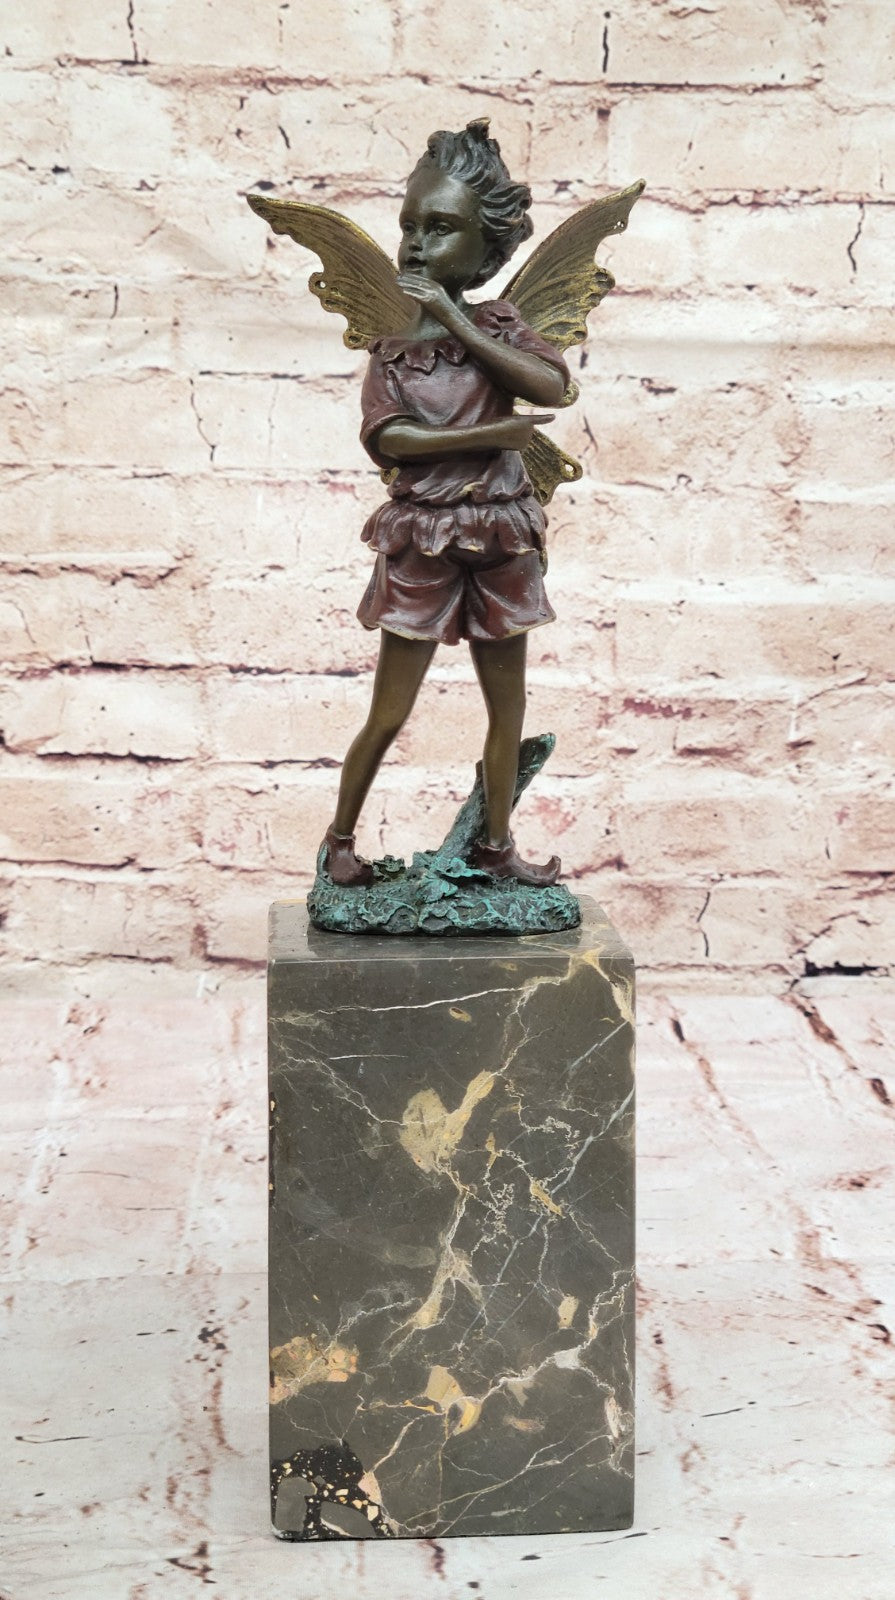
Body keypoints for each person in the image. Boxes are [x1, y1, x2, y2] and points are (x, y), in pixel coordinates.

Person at [322, 119, 571, 888]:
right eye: (409, 227)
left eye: (439, 228)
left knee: (507, 708)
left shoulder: (501, 328)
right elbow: (391, 439)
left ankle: (495, 846)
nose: (416, 245)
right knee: (389, 710)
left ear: (486, 248)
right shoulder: (393, 354)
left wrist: (461, 321)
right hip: (421, 539)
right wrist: (491, 432)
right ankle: (338, 842)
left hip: (500, 533)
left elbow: (552, 387)